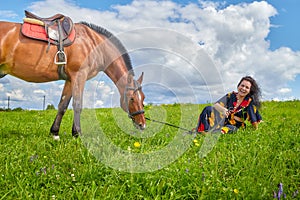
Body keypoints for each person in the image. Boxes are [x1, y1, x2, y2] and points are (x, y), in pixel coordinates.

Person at [196, 76, 262, 134]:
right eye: (242, 85)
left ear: (250, 91)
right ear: (238, 86)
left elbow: (254, 118)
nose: (243, 88)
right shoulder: (230, 96)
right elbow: (216, 105)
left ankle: (216, 132)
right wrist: (223, 110)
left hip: (235, 125)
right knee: (208, 108)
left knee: (229, 128)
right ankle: (204, 131)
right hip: (223, 120)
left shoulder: (249, 102)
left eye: (247, 87)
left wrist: (255, 130)